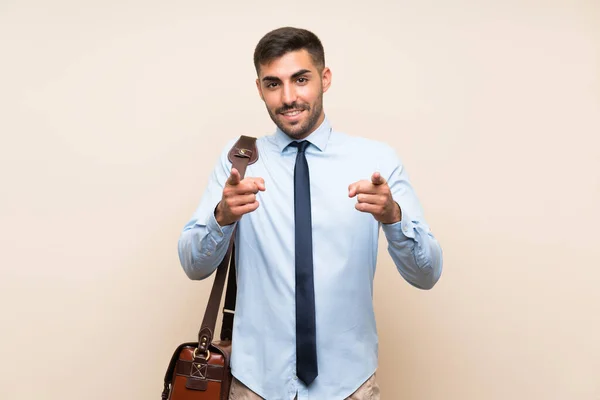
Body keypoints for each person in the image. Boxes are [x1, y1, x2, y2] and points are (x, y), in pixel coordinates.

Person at [178, 27, 443, 400]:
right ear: (259, 89)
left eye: (300, 80)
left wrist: (393, 216)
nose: (288, 97)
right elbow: (193, 264)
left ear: (325, 78)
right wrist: (222, 217)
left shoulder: (374, 161)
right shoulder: (239, 160)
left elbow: (427, 273)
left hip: (349, 385)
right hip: (255, 385)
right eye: (273, 84)